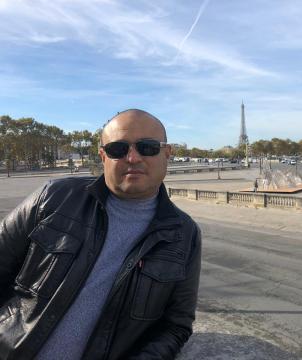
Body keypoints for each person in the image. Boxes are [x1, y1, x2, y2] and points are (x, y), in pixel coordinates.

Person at [0, 109, 202, 359]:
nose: (132, 157)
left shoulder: (184, 234)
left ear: (167, 153)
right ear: (103, 156)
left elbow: (176, 325)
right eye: (118, 149)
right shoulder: (53, 197)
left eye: (147, 147)